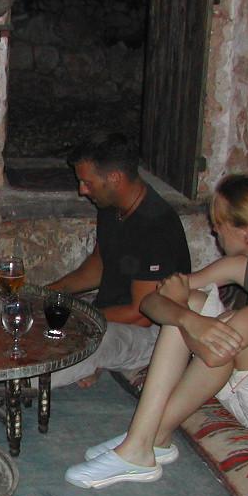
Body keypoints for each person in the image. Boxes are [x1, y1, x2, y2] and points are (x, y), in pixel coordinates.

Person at [66, 173, 248, 489]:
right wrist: (187, 318)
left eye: (219, 222)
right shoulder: (242, 267)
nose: (214, 230)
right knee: (196, 308)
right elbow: (153, 301)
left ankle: (139, 446)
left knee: (228, 328)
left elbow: (217, 352)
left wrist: (185, 315)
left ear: (246, 231)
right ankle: (151, 438)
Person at [46, 133, 191, 389]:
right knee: (42, 319)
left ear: (115, 178)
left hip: (150, 333)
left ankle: (19, 382)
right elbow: (98, 265)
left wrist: (79, 318)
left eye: (87, 182)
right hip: (109, 313)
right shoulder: (111, 206)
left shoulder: (156, 226)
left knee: (63, 343)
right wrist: (48, 293)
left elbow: (141, 313)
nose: (82, 190)